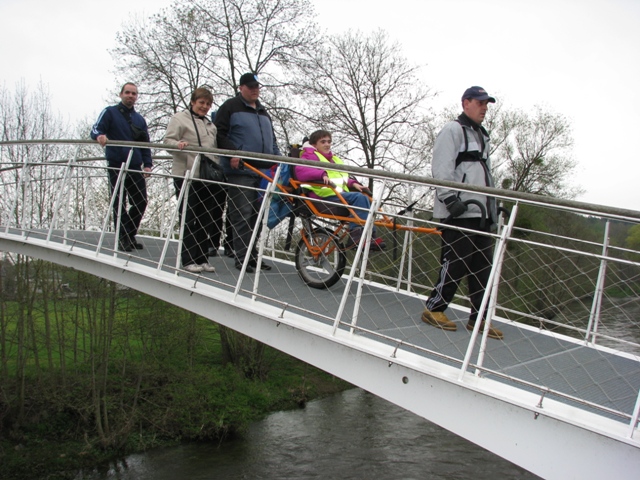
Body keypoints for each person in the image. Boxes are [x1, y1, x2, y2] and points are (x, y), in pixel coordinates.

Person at [421, 86, 503, 340]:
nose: (484, 107)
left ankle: (478, 319)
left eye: (486, 103)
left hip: (481, 212)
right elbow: (442, 167)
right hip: (459, 211)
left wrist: (494, 206)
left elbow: (485, 174)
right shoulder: (453, 130)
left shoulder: (482, 135)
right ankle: (434, 308)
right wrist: (449, 199)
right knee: (455, 263)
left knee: (482, 268)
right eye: (479, 103)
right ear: (465, 103)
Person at [214, 72, 280, 273]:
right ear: (241, 87)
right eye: (250, 87)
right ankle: (241, 257)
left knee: (257, 217)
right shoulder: (230, 107)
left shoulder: (263, 112)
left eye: (257, 87)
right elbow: (219, 133)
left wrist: (278, 160)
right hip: (241, 170)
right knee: (242, 214)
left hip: (263, 171)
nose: (254, 90)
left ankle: (252, 256)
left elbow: (273, 140)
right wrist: (233, 152)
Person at [164, 87, 225, 274]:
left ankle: (202, 258)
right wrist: (178, 145)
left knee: (206, 217)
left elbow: (213, 149)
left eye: (208, 104)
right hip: (187, 174)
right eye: (201, 103)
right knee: (189, 217)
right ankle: (188, 259)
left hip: (207, 176)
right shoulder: (179, 119)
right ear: (193, 102)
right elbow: (167, 141)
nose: (204, 107)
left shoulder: (210, 125)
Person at [295, 130, 385, 250]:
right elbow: (301, 171)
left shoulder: (335, 160)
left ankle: (369, 236)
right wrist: (321, 174)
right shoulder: (309, 155)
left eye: (329, 141)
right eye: (323, 142)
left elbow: (343, 177)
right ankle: (357, 236)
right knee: (359, 198)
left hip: (338, 195)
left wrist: (355, 184)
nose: (327, 144)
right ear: (314, 145)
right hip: (322, 197)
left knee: (369, 201)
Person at [91, 82, 152, 252]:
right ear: (121, 94)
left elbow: (144, 143)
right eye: (127, 93)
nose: (130, 96)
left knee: (141, 201)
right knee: (118, 202)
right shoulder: (110, 112)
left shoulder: (139, 119)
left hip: (134, 165)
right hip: (117, 163)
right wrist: (100, 136)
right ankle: (123, 238)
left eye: (134, 93)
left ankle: (128, 233)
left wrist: (147, 164)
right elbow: (96, 129)